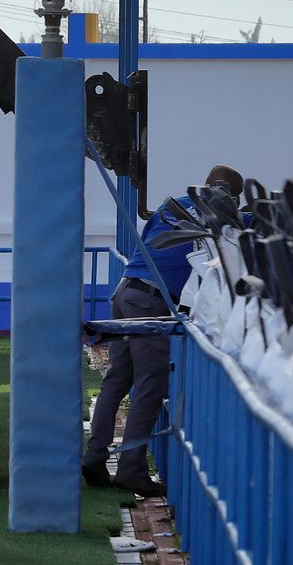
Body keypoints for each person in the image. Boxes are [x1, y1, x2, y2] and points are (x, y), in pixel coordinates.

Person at [84, 165, 245, 497]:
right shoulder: (220, 217)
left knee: (117, 379)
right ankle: (131, 471)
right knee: (150, 384)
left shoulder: (171, 205)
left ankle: (95, 456)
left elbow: (146, 245)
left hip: (126, 290)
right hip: (151, 302)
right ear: (231, 194)